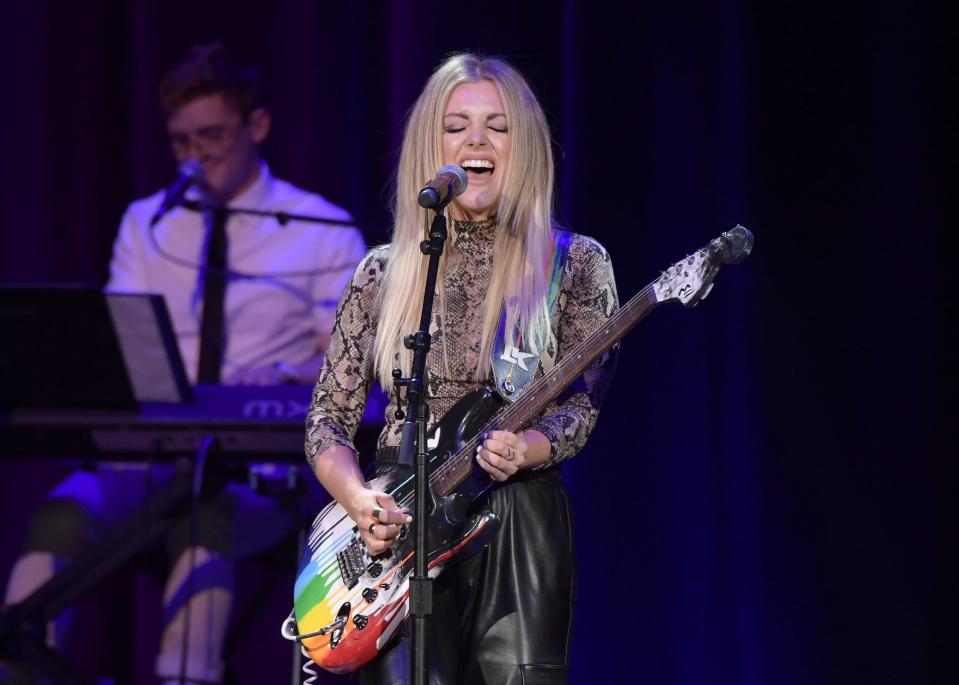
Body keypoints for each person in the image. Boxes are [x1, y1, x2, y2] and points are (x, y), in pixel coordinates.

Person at [2, 44, 366, 684]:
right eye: (181, 142)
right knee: (57, 516)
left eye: (213, 137)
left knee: (207, 529)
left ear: (257, 127)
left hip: (255, 480)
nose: (196, 156)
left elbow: (352, 362)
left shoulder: (322, 228)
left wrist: (284, 375)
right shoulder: (148, 225)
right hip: (140, 465)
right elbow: (119, 342)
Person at [305, 53, 618, 684]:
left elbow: (580, 407)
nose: (476, 140)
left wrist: (528, 446)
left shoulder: (575, 265)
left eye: (497, 127)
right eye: (457, 126)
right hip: (398, 521)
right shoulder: (383, 273)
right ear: (431, 145)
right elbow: (327, 421)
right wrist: (357, 499)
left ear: (523, 146)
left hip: (517, 514)